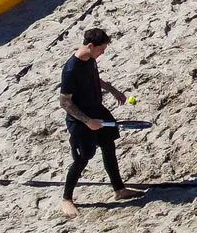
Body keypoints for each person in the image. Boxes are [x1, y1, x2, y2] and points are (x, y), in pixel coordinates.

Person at [58, 28, 144, 218]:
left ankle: (119, 190)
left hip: (98, 111)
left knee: (108, 145)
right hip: (81, 120)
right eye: (101, 49)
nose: (103, 52)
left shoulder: (89, 59)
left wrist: (113, 90)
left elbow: (94, 78)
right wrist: (88, 121)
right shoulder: (71, 69)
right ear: (90, 46)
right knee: (82, 159)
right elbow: (65, 101)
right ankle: (66, 199)